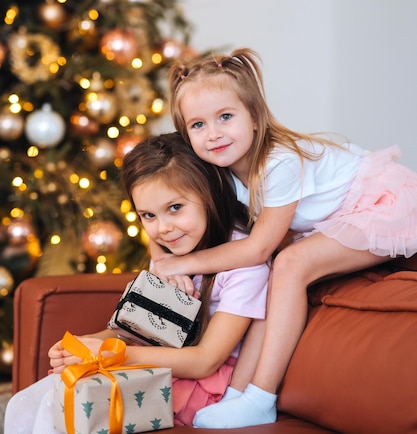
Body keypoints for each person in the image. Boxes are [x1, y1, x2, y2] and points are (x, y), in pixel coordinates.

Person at [150, 47, 417, 429]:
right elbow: (161, 206)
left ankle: (261, 396)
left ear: (255, 117)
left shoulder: (278, 162)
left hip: (379, 203)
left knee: (290, 262)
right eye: (198, 125)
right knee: (271, 272)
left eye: (225, 117)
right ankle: (237, 395)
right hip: (332, 217)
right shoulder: (219, 170)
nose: (214, 134)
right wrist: (164, 263)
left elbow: (257, 246)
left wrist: (184, 263)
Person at [4, 132, 270, 433]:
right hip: (152, 365)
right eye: (148, 215)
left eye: (175, 208)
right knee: (22, 403)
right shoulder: (172, 257)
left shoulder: (245, 268)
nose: (164, 229)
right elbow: (135, 333)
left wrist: (114, 354)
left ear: (210, 194)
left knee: (61, 407)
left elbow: (205, 361)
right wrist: (88, 345)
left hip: (200, 385)